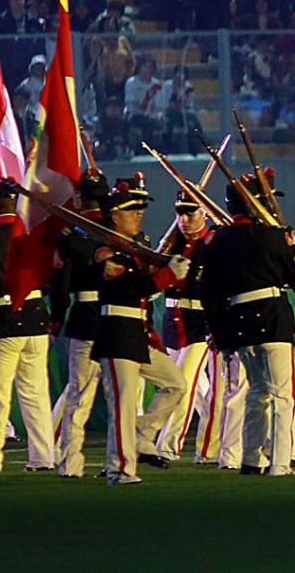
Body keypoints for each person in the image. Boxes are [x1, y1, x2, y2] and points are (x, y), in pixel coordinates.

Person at [198, 181, 295, 477]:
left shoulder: (217, 241)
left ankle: (251, 458)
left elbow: (208, 292)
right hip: (272, 321)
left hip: (238, 325)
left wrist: (219, 332)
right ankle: (280, 462)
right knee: (283, 396)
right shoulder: (273, 237)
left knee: (257, 392)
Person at [88, 175, 190, 485]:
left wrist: (166, 268)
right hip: (118, 330)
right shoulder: (105, 252)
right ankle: (120, 469)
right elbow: (127, 288)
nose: (138, 214)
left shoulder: (133, 249)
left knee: (176, 384)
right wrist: (166, 276)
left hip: (138, 332)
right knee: (122, 404)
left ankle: (141, 433)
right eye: (131, 211)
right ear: (114, 216)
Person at [0, 180, 56, 474]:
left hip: (3, 321)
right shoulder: (34, 240)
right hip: (36, 318)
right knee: (36, 394)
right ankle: (43, 457)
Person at [53, 169, 112, 477]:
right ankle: (117, 459)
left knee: (79, 395)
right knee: (118, 397)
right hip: (114, 319)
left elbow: (61, 285)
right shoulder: (115, 233)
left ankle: (70, 463)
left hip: (85, 318)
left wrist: (56, 317)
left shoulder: (71, 236)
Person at [155, 192, 217, 461]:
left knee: (184, 383)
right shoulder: (173, 243)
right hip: (173, 321)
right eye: (180, 213)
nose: (185, 219)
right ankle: (216, 442)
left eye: (190, 213)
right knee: (200, 391)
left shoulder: (211, 243)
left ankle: (167, 446)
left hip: (198, 324)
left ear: (203, 212)